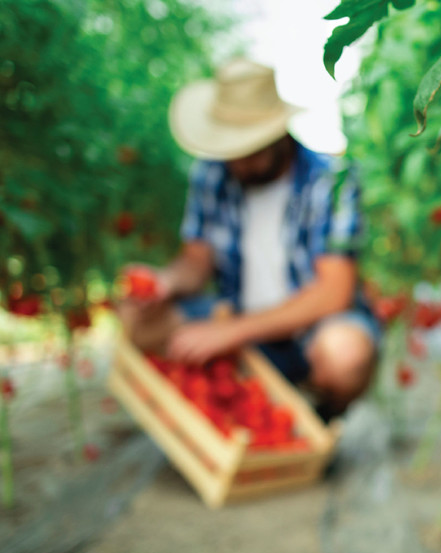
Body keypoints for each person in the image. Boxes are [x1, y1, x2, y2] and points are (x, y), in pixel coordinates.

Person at [119, 57, 379, 420]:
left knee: (346, 354)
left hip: (307, 333)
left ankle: (320, 418)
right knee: (135, 318)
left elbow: (333, 292)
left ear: (277, 134)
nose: (237, 163)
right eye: (230, 150)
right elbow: (196, 262)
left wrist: (229, 332)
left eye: (248, 150)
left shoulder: (332, 180)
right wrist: (166, 281)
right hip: (237, 321)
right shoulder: (212, 174)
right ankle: (224, 405)